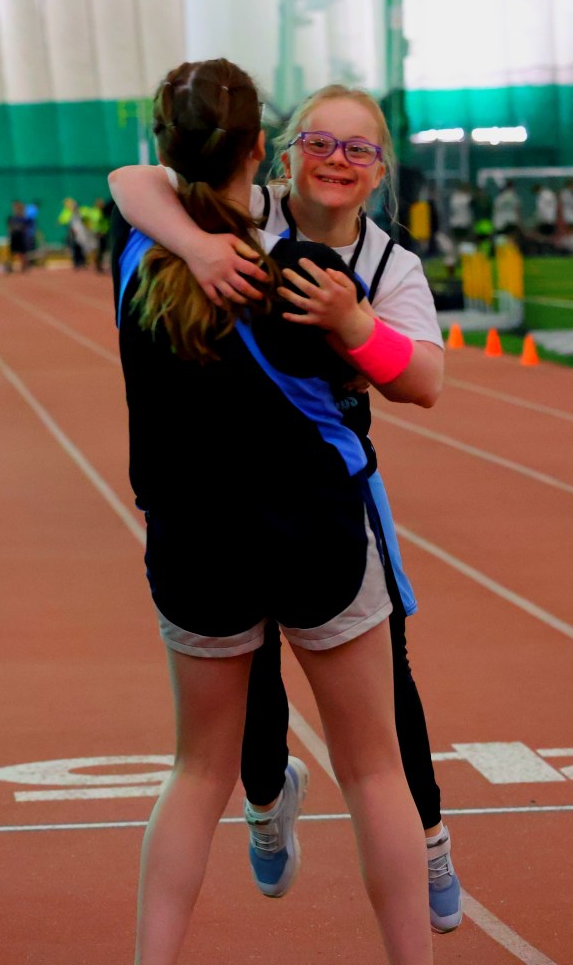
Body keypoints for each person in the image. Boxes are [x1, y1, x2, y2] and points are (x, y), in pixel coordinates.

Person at [109, 82, 461, 935]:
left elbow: (424, 382)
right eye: (319, 142)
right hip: (240, 512)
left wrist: (353, 324)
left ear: (380, 170)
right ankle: (267, 800)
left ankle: (429, 838)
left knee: (384, 698)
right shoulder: (241, 212)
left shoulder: (386, 266)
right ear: (277, 152)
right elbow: (131, 181)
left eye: (357, 149)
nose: (336, 160)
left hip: (318, 504)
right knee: (252, 699)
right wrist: (197, 246)